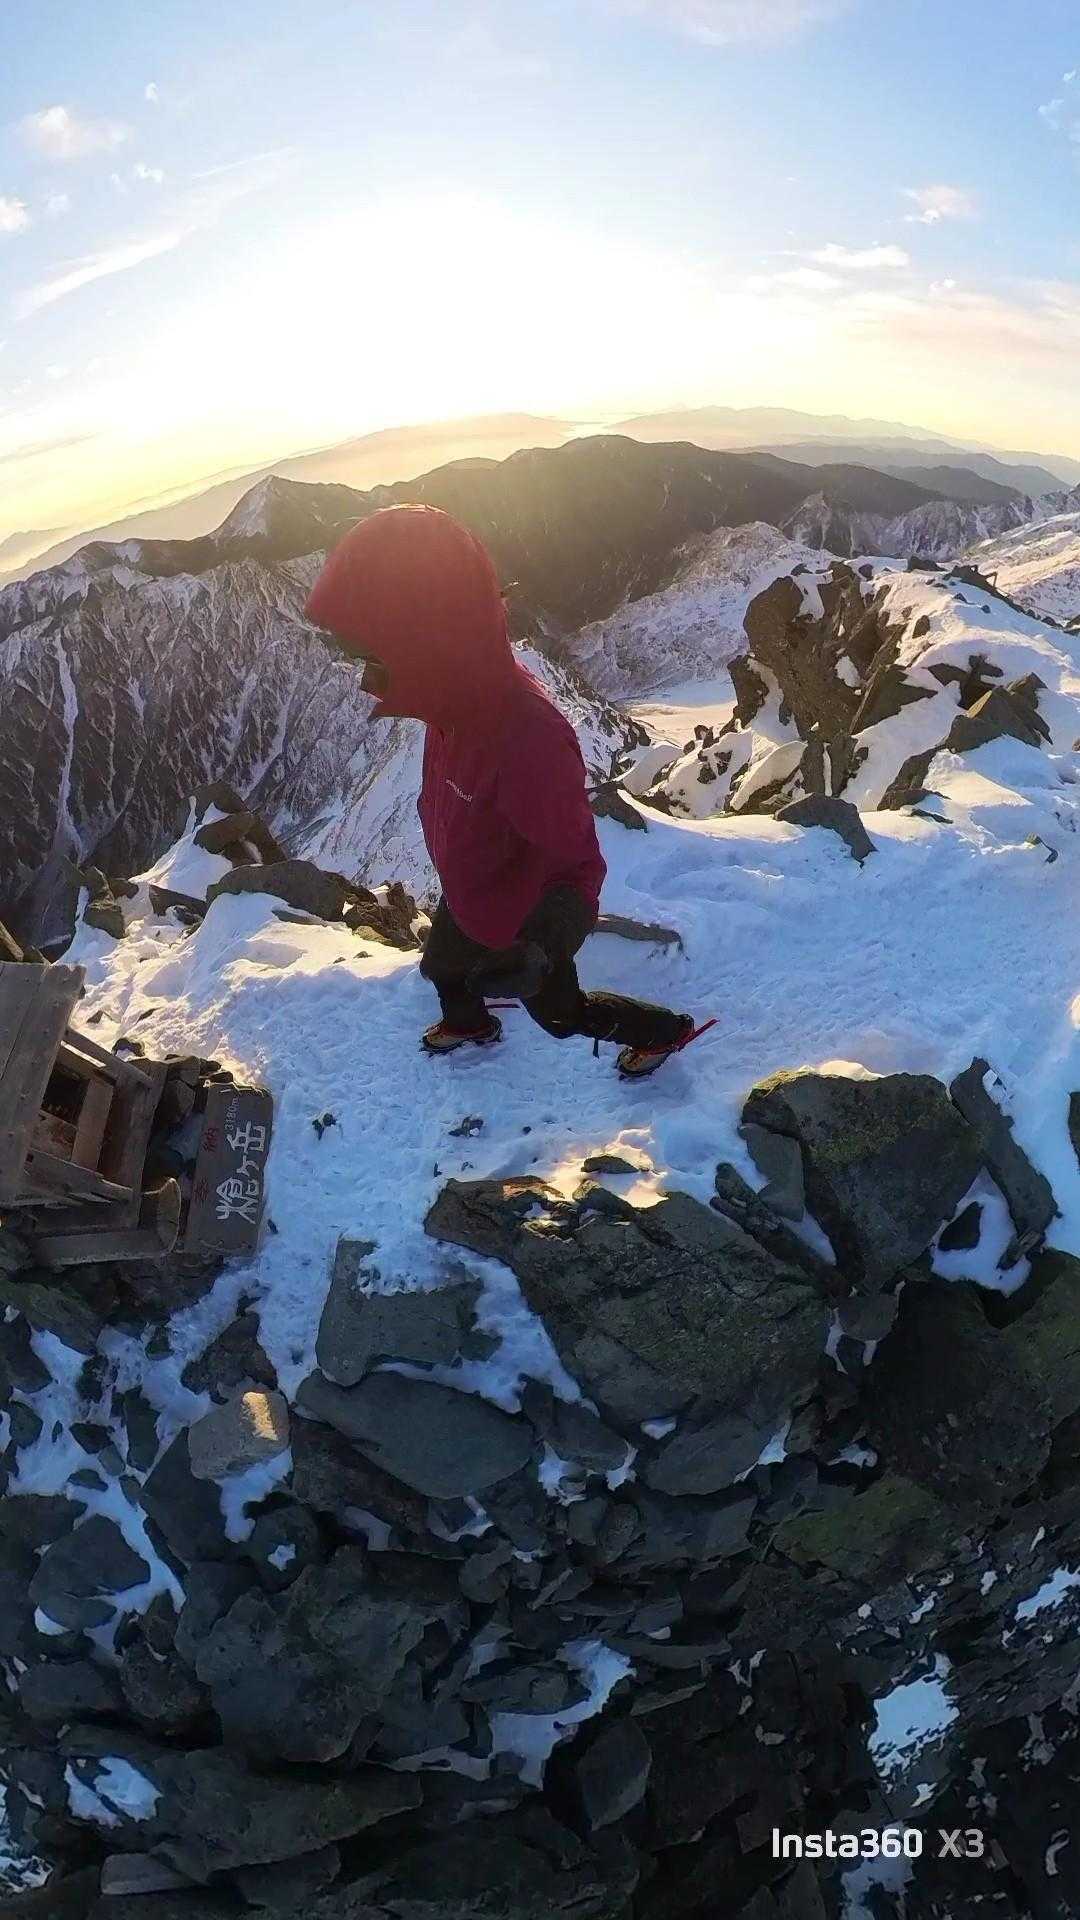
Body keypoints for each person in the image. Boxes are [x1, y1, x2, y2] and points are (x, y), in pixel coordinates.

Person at [306, 504, 699, 1077]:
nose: (369, 681)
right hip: (468, 898)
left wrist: (540, 948)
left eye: (374, 658)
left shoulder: (527, 738)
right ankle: (470, 1023)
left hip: (521, 925)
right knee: (442, 969)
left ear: (430, 642)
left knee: (562, 1016)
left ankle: (665, 1032)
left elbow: (578, 867)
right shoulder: (451, 705)